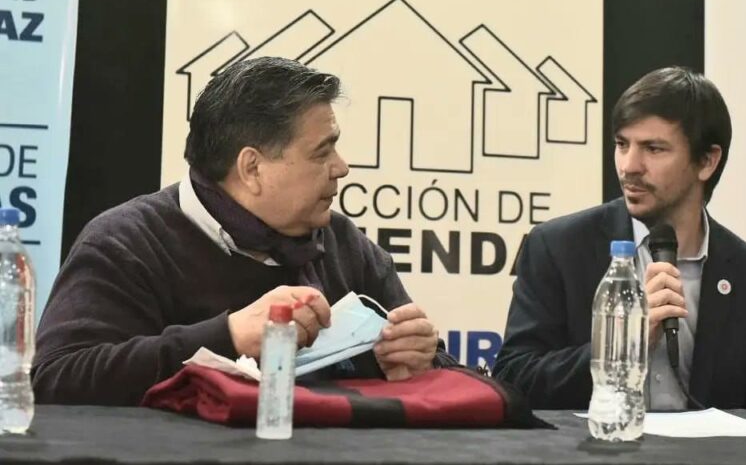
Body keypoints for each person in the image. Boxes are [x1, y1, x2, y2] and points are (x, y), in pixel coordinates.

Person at [33, 57, 451, 405]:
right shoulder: (126, 242)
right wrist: (229, 335)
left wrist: (421, 358)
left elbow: (444, 369)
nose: (341, 167)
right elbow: (57, 377)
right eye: (322, 152)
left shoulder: (343, 242)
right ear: (252, 168)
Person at [493, 66, 746, 410]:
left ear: (707, 162)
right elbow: (516, 379)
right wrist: (622, 344)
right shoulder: (558, 248)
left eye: (653, 149)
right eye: (622, 144)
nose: (629, 166)